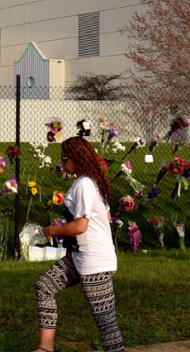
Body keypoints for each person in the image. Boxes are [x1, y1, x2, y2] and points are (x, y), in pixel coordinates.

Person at [33, 136, 124, 352]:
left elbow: (81, 226)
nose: (61, 163)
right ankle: (46, 348)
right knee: (44, 286)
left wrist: (52, 231)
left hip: (94, 262)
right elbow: (106, 217)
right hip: (80, 257)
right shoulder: (91, 182)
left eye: (64, 159)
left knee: (107, 325)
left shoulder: (84, 184)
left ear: (77, 158)